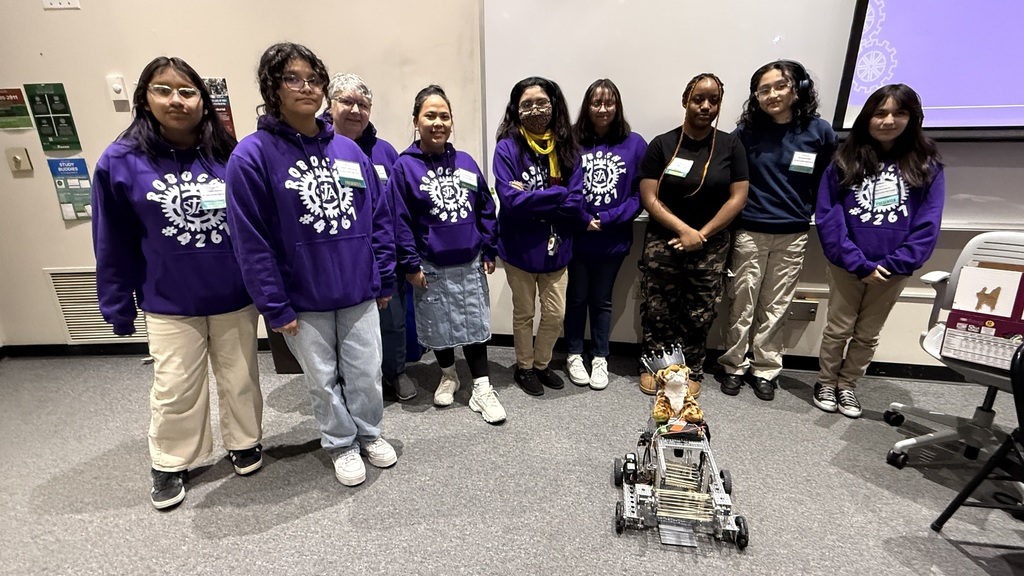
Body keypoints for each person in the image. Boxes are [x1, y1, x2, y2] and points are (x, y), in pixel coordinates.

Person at [92, 56, 263, 510]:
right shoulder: (120, 162)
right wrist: (116, 303)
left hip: (233, 294)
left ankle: (244, 440)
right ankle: (170, 461)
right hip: (169, 299)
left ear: (204, 103)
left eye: (187, 91)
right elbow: (113, 240)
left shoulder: (230, 155)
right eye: (163, 90)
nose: (176, 100)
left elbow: (257, 225)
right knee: (175, 386)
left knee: (241, 377)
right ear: (144, 99)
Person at [226, 42, 397, 486]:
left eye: (314, 79)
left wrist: (383, 276)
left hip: (358, 287)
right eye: (293, 79)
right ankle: (341, 443)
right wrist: (273, 305)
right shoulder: (252, 156)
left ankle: (369, 432)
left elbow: (378, 218)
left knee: (365, 373)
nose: (307, 87)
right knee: (322, 381)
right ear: (272, 87)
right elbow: (251, 240)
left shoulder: (349, 150)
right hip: (302, 296)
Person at [814, 83, 944, 418]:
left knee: (868, 334)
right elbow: (829, 216)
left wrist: (896, 263)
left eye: (898, 113)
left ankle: (848, 386)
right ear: (867, 117)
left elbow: (928, 224)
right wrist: (856, 261)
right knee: (838, 327)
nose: (888, 120)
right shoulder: (844, 160)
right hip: (847, 265)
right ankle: (827, 381)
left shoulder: (926, 165)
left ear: (912, 118)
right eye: (880, 112)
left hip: (892, 270)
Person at [718, 60, 838, 401]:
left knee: (776, 305)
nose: (772, 95)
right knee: (742, 300)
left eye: (779, 87)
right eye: (764, 89)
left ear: (797, 89)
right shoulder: (746, 133)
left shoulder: (820, 132)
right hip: (749, 230)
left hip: (793, 232)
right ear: (756, 96)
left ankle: (765, 369)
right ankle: (733, 365)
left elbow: (827, 181)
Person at [390, 85, 505, 423]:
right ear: (416, 120)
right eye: (430, 115)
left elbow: (486, 205)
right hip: (430, 264)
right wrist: (410, 264)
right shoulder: (404, 168)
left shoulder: (466, 162)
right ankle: (449, 375)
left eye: (444, 115)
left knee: (473, 323)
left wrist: (489, 246)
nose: (438, 122)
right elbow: (399, 220)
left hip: (469, 261)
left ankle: (482, 388)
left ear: (451, 121)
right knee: (437, 324)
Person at [637, 73, 749, 398]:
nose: (705, 106)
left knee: (699, 311)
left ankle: (690, 369)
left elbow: (737, 197)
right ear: (685, 100)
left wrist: (701, 234)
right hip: (664, 240)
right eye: (699, 98)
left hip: (710, 245)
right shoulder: (662, 144)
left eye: (713, 100)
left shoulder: (731, 145)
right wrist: (683, 229)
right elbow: (649, 197)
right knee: (658, 307)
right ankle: (655, 365)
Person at [324, 73, 415, 402]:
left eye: (362, 104)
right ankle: (346, 385)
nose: (355, 110)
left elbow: (398, 207)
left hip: (382, 258)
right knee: (341, 333)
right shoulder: (315, 149)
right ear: (330, 104)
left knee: (392, 323)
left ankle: (396, 372)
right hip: (339, 263)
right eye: (346, 102)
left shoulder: (385, 152)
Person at [493, 76, 586, 396]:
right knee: (524, 314)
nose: (535, 110)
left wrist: (532, 199)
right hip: (519, 248)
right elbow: (510, 202)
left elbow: (575, 203)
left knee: (555, 314)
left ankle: (543, 364)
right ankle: (525, 367)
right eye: (527, 105)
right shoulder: (507, 148)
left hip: (556, 248)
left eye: (542, 103)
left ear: (554, 104)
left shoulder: (568, 146)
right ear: (516, 110)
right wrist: (556, 194)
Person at [564, 79, 646, 390]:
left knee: (602, 300)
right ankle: (573, 353)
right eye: (596, 103)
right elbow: (559, 185)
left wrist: (609, 218)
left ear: (617, 106)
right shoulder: (570, 140)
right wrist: (583, 218)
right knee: (576, 297)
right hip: (578, 236)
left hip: (613, 239)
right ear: (587, 106)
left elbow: (642, 194)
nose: (602, 109)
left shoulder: (635, 143)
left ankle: (600, 355)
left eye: (608, 103)